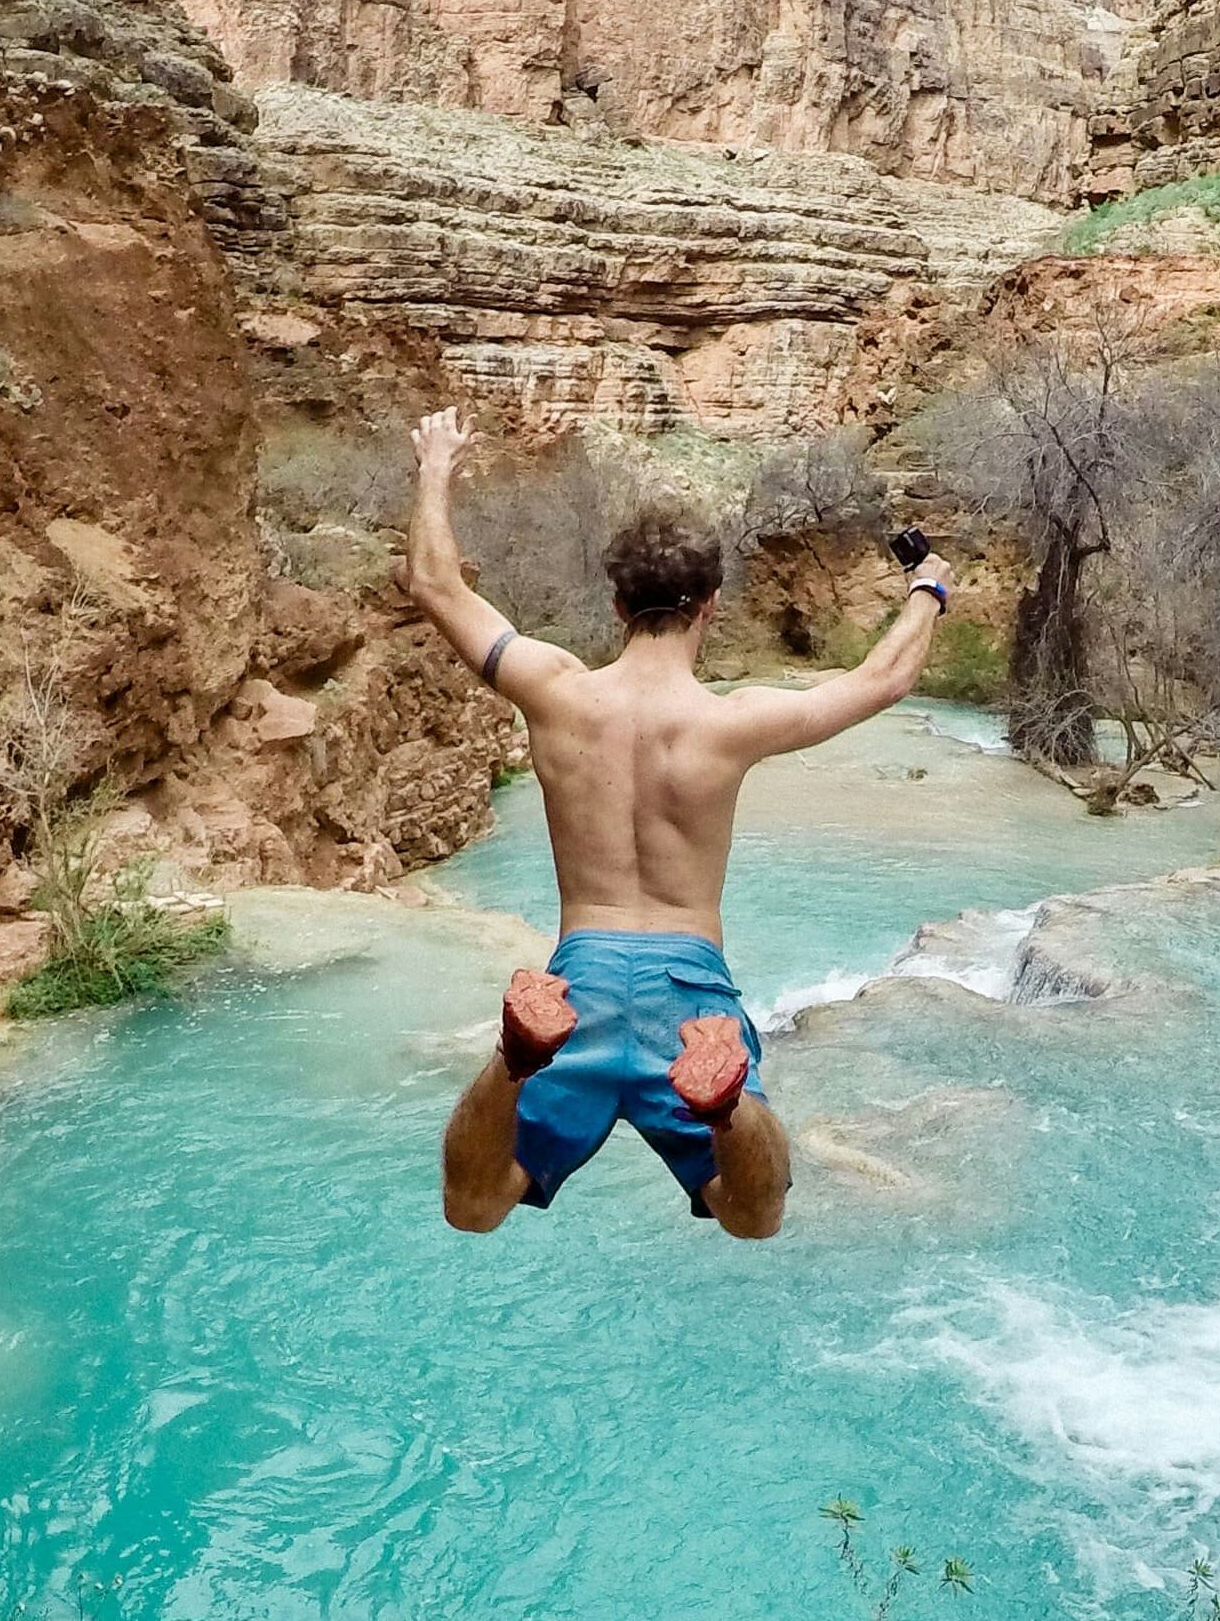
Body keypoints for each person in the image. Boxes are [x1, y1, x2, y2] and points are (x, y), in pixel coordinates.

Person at [394, 407, 954, 1239]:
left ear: (618, 604)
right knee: (752, 1215)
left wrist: (436, 464)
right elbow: (883, 680)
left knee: (474, 1207)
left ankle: (517, 1057)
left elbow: (437, 585)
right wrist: (928, 590)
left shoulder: (553, 689)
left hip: (575, 977)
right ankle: (724, 1107)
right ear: (712, 607)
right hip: (688, 983)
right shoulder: (732, 722)